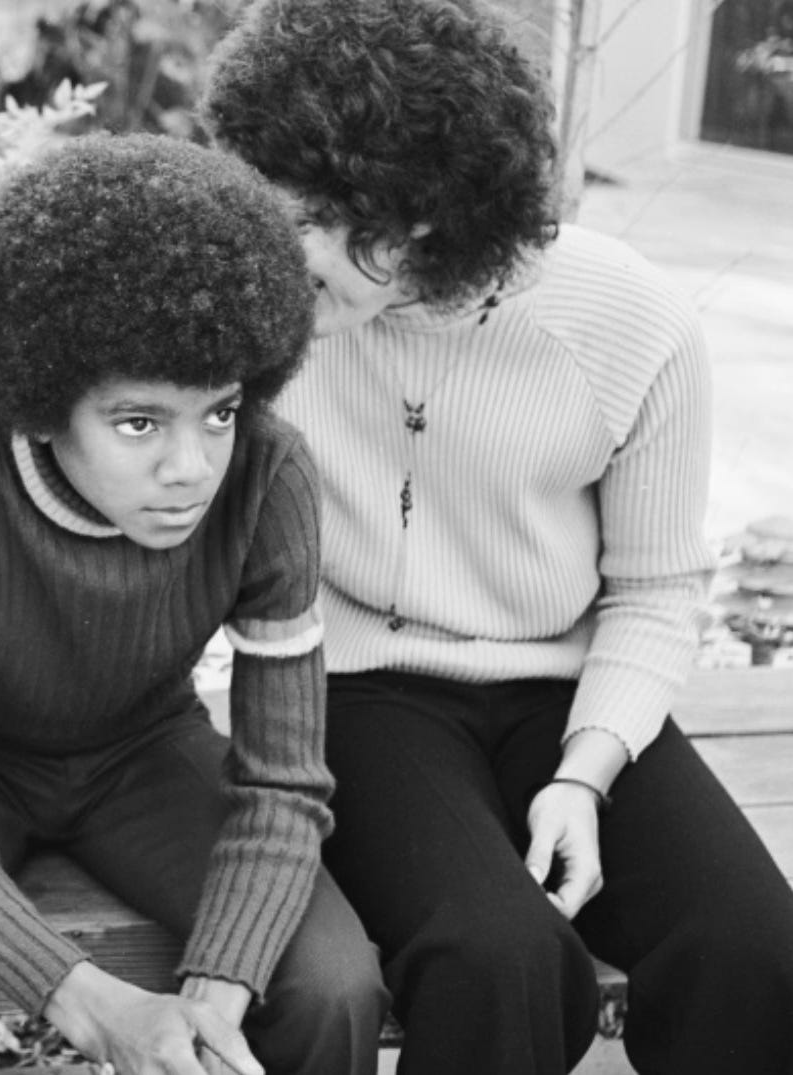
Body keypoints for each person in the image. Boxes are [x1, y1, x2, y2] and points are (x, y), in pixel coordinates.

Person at [200, 1, 793, 1071]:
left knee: (754, 949)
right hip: (356, 687)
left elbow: (656, 590)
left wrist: (584, 775)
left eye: (322, 222)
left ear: (432, 213)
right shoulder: (260, 311)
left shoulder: (633, 324)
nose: (286, 255)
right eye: (274, 210)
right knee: (495, 956)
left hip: (566, 691)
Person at [0, 133, 388, 1075]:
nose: (190, 467)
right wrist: (90, 1003)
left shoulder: (269, 472)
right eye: (138, 421)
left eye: (219, 410)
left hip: (146, 752)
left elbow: (284, 785)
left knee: (333, 985)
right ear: (41, 403)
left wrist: (218, 987)